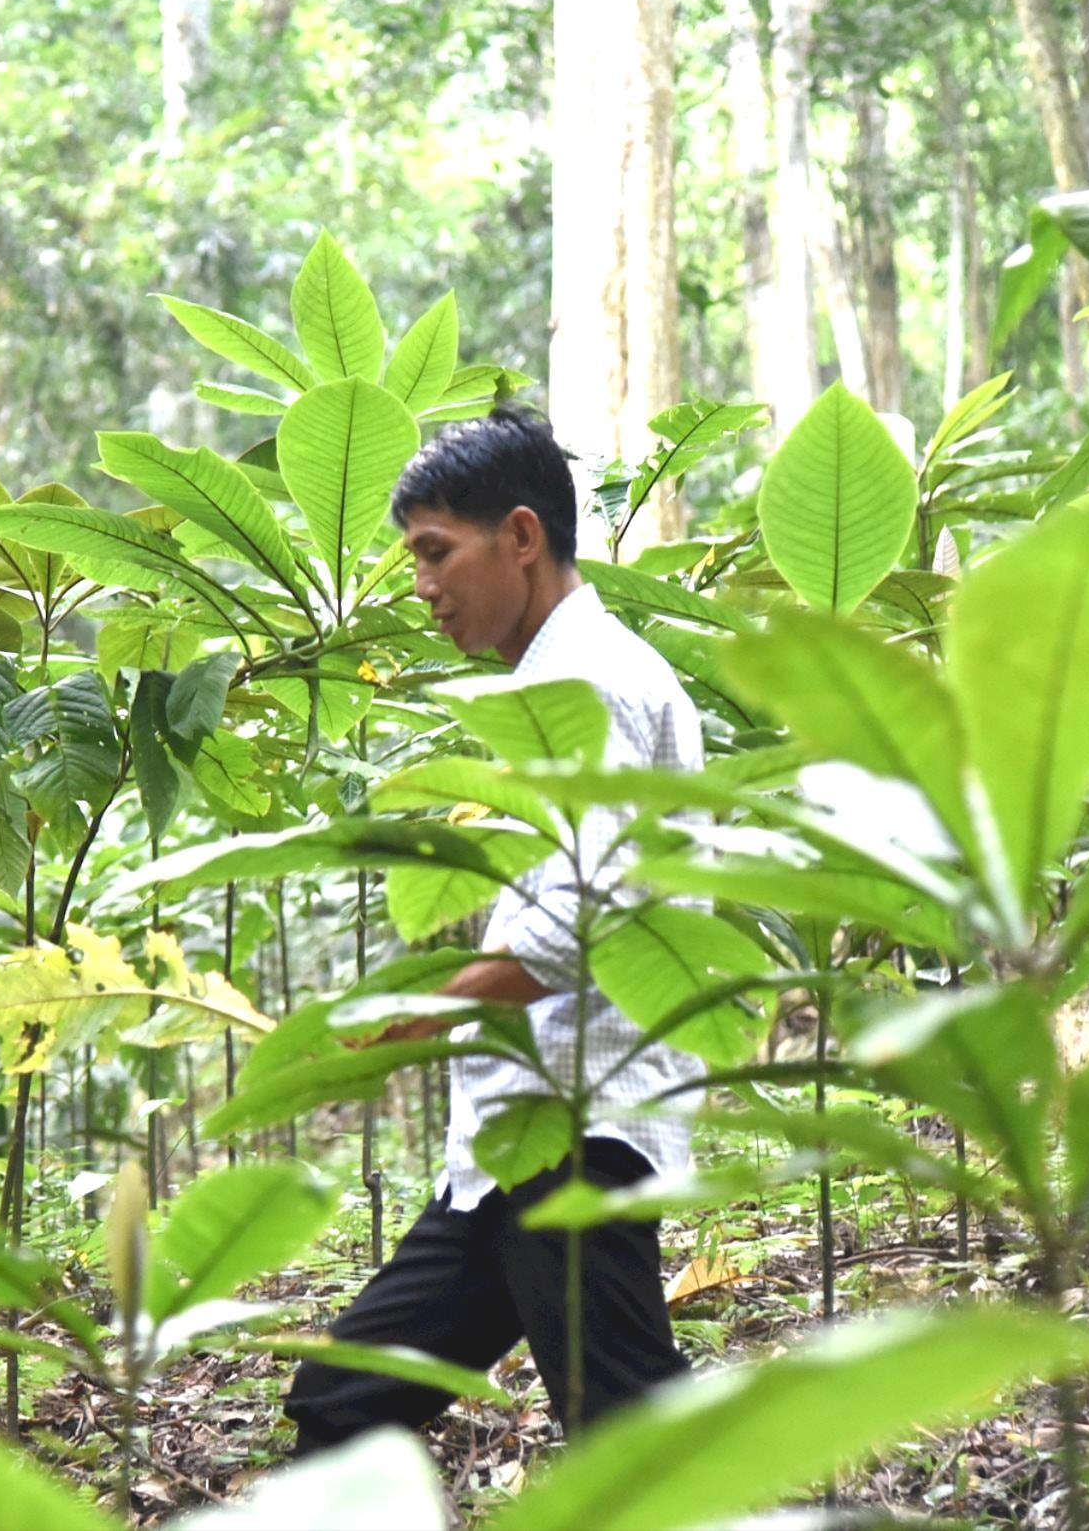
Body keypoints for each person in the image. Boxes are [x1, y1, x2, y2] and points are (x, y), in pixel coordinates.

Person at [281, 403, 701, 1454]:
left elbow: (580, 918)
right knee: (345, 1399)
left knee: (628, 1440)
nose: (420, 586)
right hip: (516, 1144)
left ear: (520, 536)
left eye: (434, 552)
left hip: (578, 1127)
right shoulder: (556, 678)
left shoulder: (583, 678)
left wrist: (414, 1015)